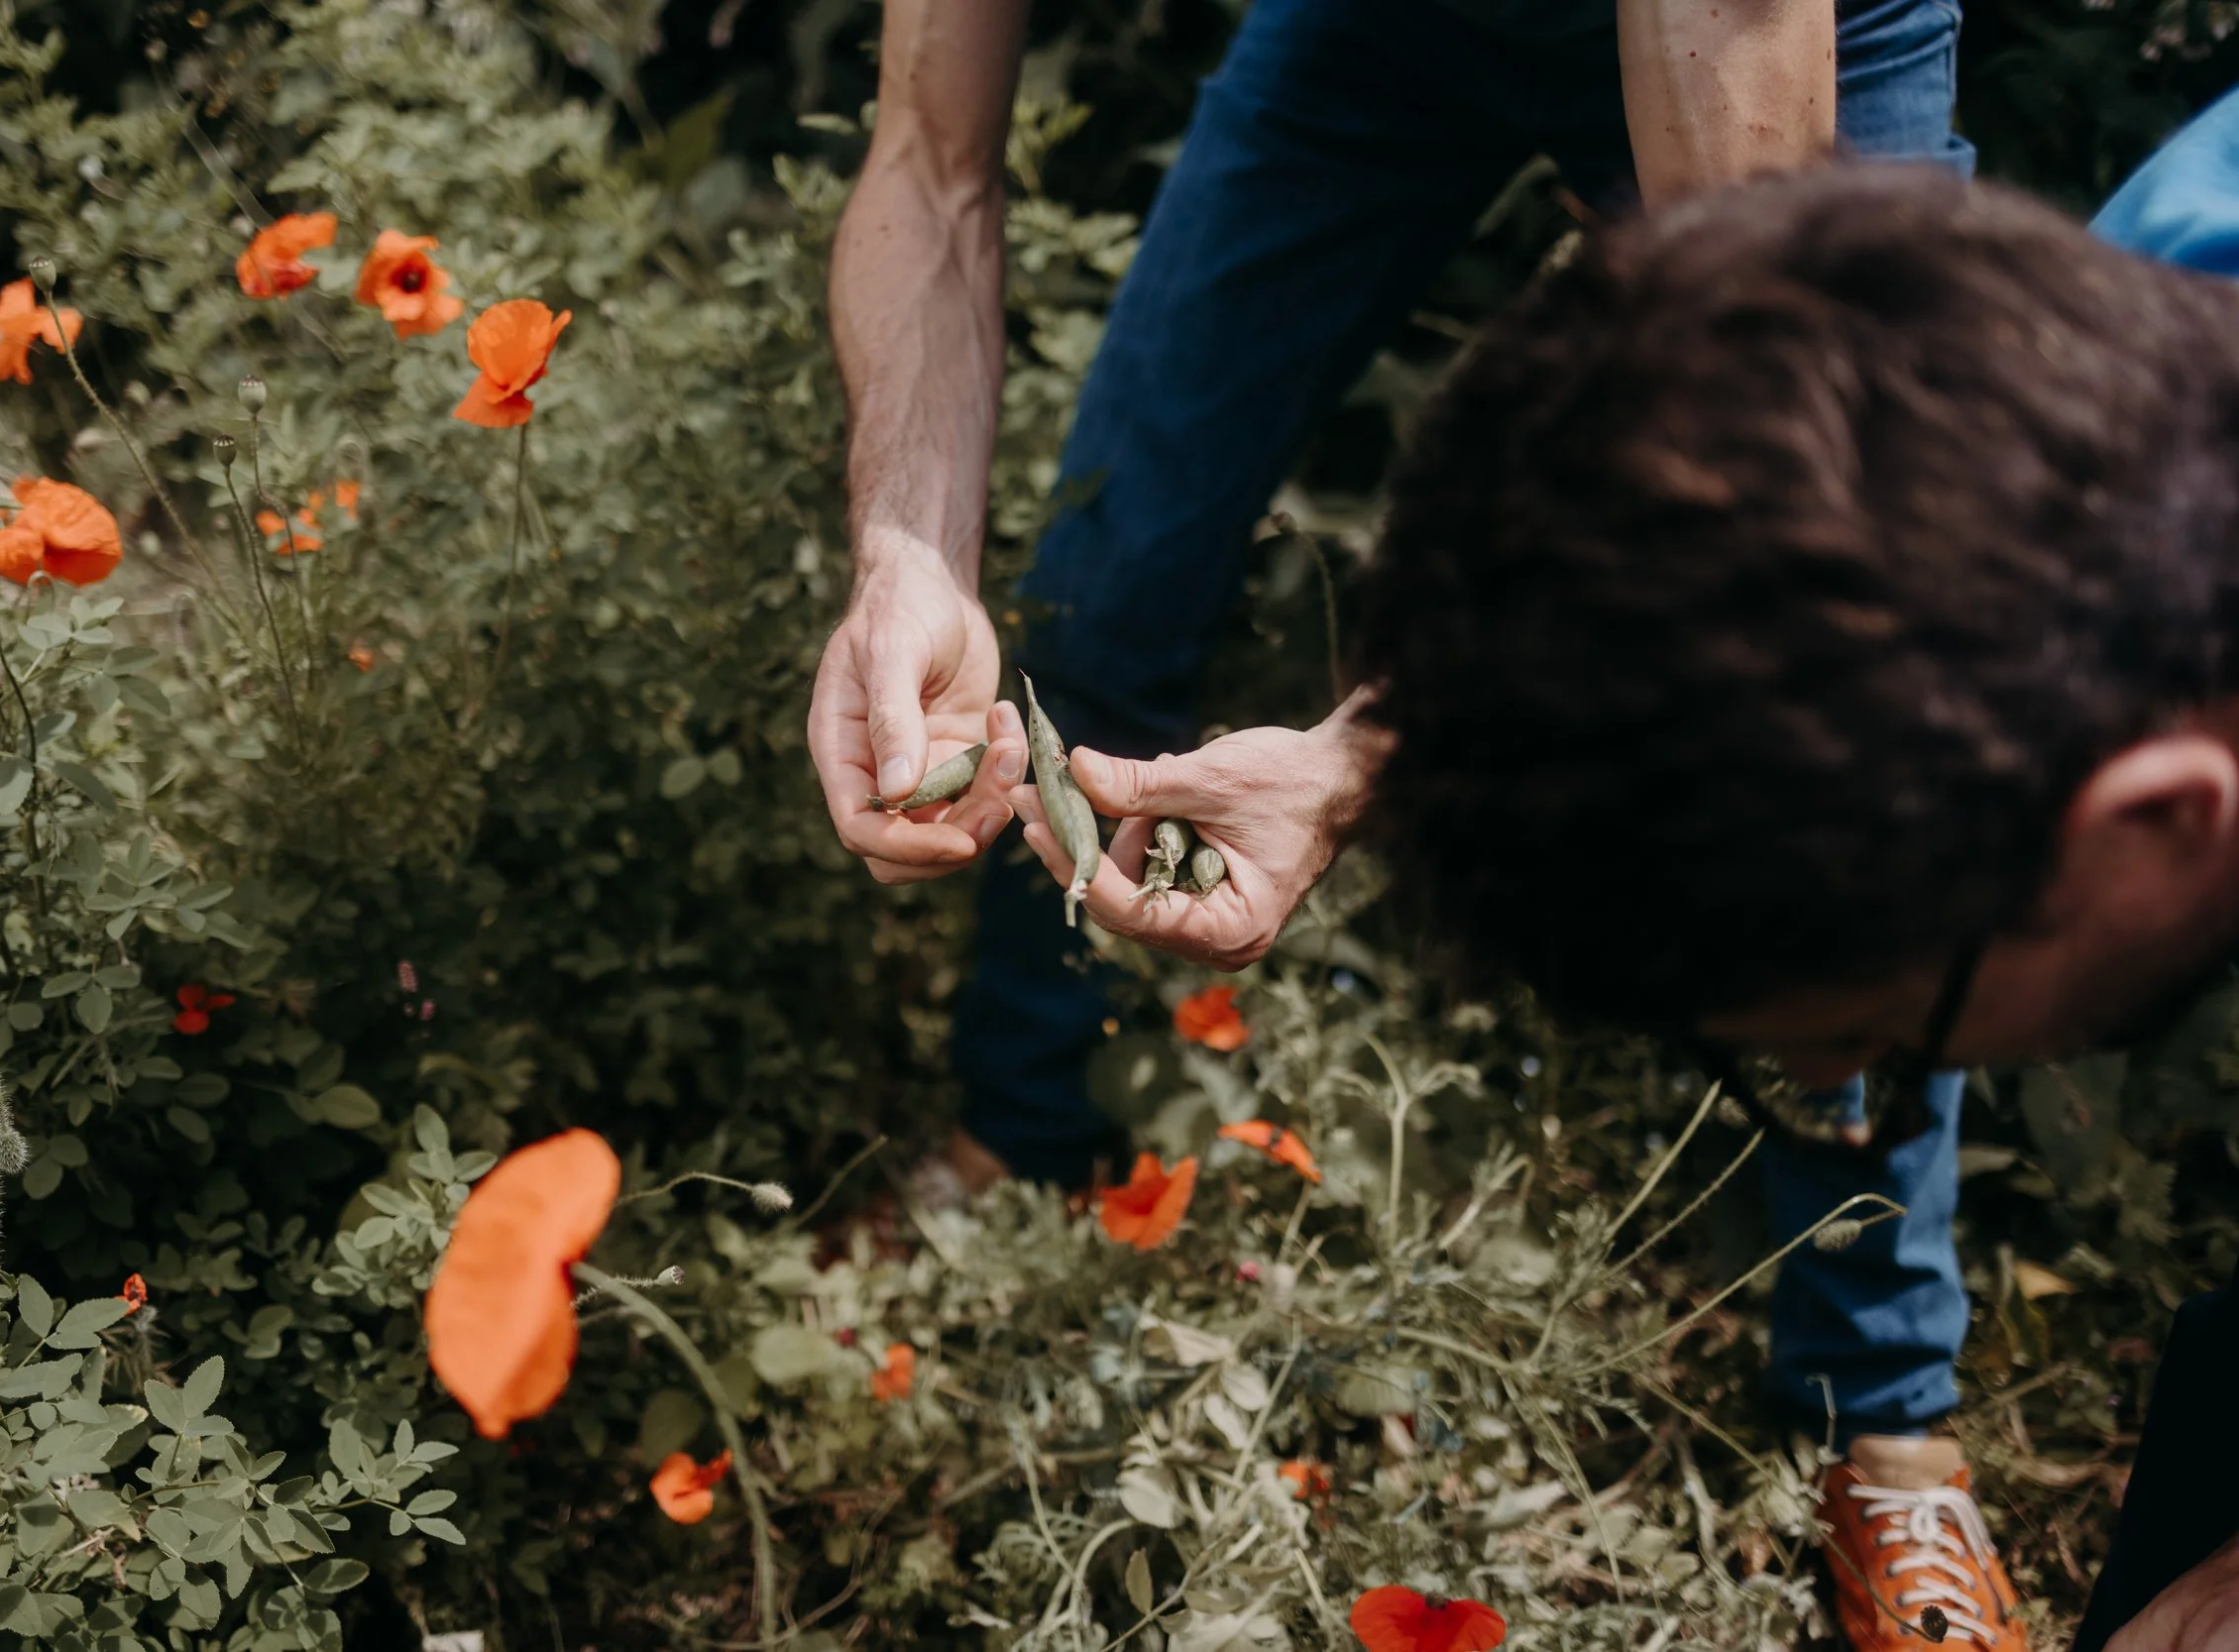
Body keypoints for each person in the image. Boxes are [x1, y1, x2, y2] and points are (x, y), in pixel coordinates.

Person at [810, 1, 2011, 1645]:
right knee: (1105, 579)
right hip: (1373, 30)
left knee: (1843, 670)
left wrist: (1381, 746)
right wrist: (908, 556)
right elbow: (931, 167)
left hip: (1755, 38)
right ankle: (1020, 1131)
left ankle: (1884, 1411)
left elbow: (1755, 425)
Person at [1017, 124, 2239, 1650]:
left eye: (1868, 1024)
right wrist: (1364, 754)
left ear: (2158, 823)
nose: (1832, 1081)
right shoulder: (2082, 369)